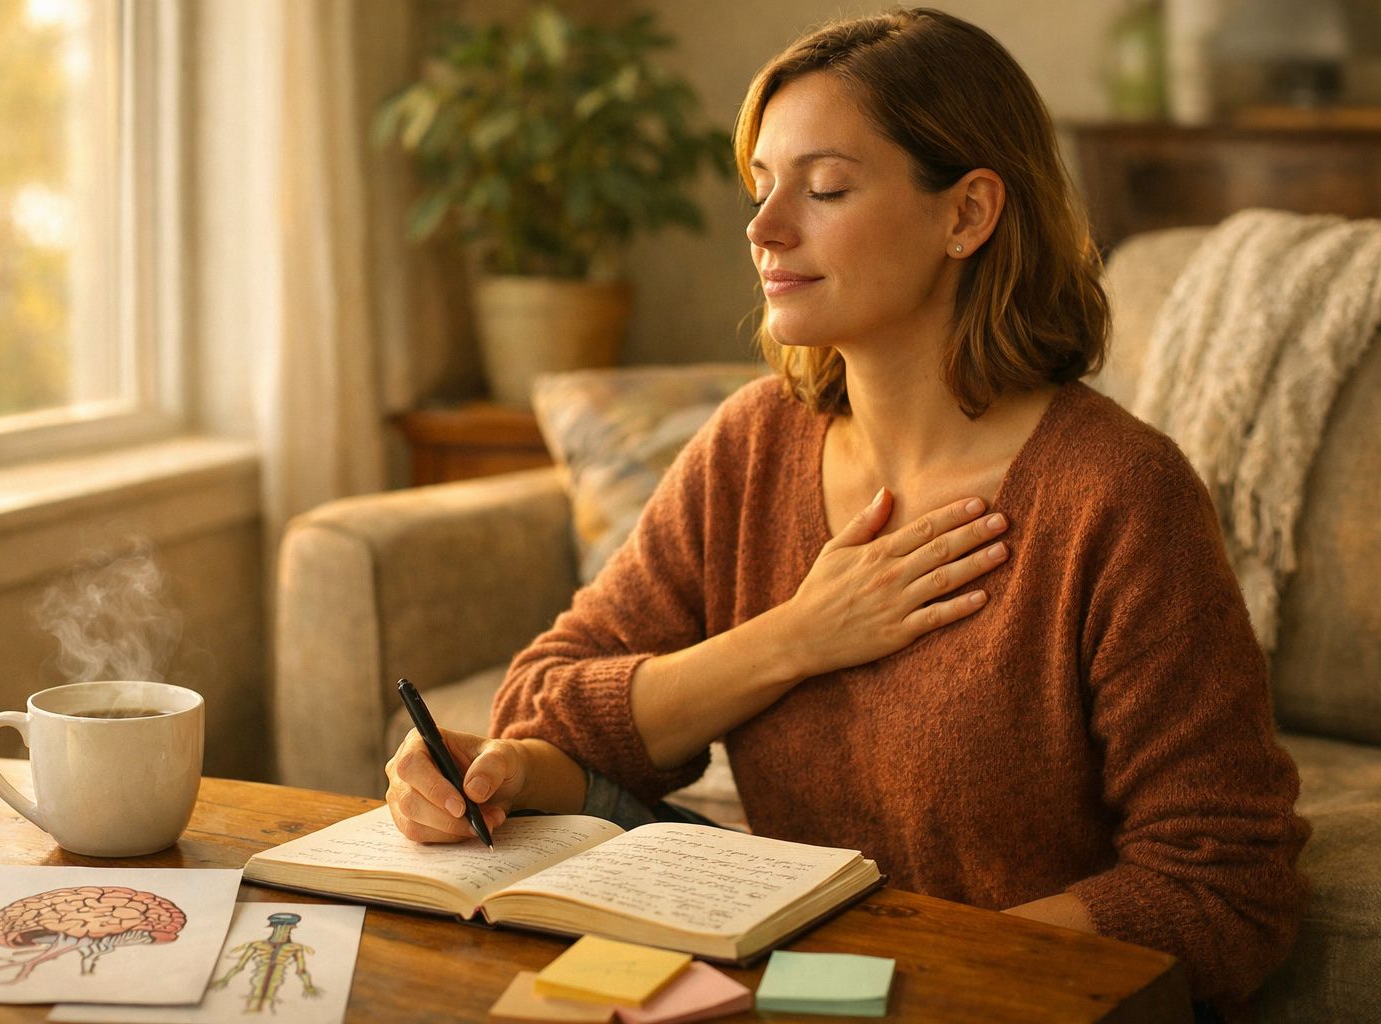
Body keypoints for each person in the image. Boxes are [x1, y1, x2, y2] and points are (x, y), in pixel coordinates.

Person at [385, 8, 1308, 1017]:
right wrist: (796, 638)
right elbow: (540, 704)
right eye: (762, 186)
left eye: (824, 188)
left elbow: (1224, 884)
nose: (764, 228)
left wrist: (889, 976)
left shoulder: (1117, 495)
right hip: (788, 982)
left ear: (967, 215)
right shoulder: (754, 444)